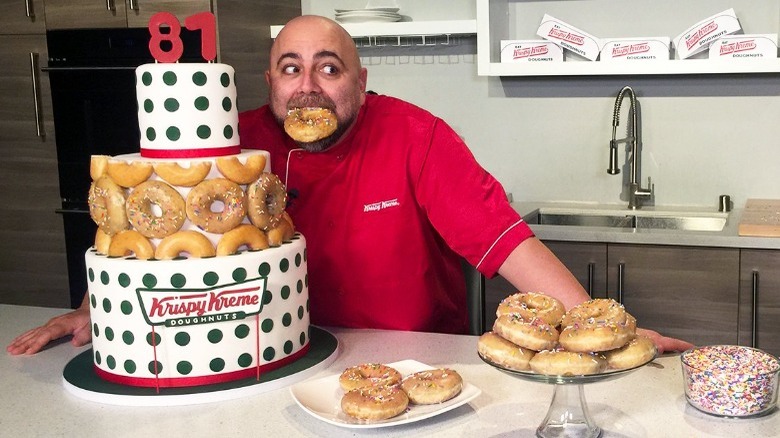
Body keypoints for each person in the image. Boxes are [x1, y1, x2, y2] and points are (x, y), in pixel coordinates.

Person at [7, 15, 692, 356]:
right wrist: (97, 309)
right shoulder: (232, 149)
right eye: (291, 68)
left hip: (413, 363)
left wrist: (599, 326)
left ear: (361, 84)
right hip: (278, 354)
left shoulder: (415, 135)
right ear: (270, 81)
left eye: (329, 68)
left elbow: (503, 240)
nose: (308, 85)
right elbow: (152, 233)